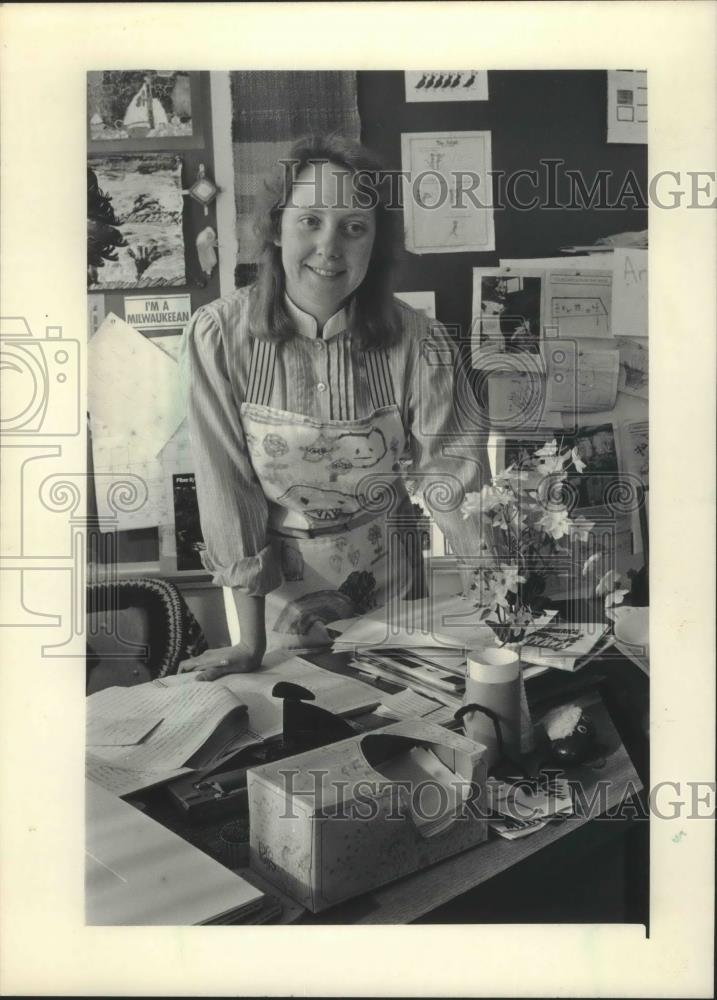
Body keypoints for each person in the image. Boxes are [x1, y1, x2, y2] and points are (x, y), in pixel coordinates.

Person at [178, 134, 482, 680]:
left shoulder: (422, 342)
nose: (329, 247)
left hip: (395, 589)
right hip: (273, 603)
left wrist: (496, 598)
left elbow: (452, 481)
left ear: (375, 243)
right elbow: (227, 487)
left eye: (354, 227)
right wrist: (249, 644)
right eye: (310, 220)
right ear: (275, 228)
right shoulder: (218, 337)